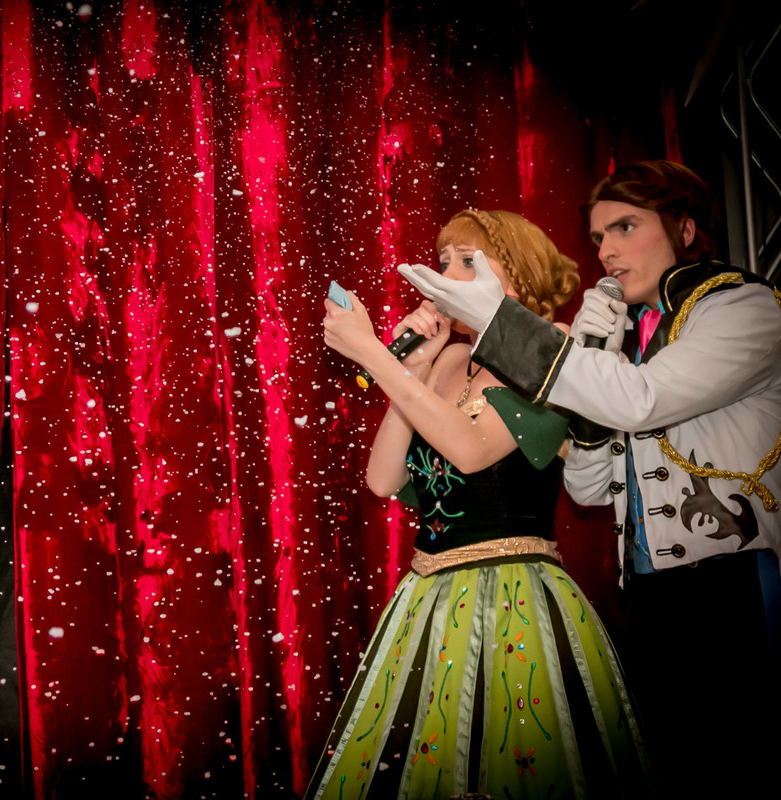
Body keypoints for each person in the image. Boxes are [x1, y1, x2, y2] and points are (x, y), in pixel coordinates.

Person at [399, 160, 781, 798]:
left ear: (685, 229)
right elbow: (587, 488)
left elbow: (642, 401)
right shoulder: (628, 338)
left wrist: (505, 325)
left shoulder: (744, 308)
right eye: (599, 236)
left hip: (735, 580)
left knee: (746, 757)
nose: (605, 250)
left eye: (625, 227)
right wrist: (596, 361)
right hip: (651, 595)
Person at [310, 210, 652, 800]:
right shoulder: (446, 359)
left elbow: (470, 452)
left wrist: (372, 354)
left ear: (517, 271)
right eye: (443, 261)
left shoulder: (551, 348)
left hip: (517, 596)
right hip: (428, 594)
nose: (445, 275)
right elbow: (383, 480)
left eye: (467, 261)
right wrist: (410, 367)